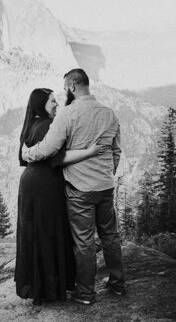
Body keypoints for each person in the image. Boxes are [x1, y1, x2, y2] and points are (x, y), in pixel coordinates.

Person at [22, 69, 124, 306]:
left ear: (71, 87)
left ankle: (86, 293)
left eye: (65, 88)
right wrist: (108, 172)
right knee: (110, 235)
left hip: (79, 188)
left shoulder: (67, 114)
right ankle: (118, 283)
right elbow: (115, 151)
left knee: (84, 241)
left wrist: (28, 153)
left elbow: (48, 148)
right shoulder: (110, 113)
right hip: (105, 186)